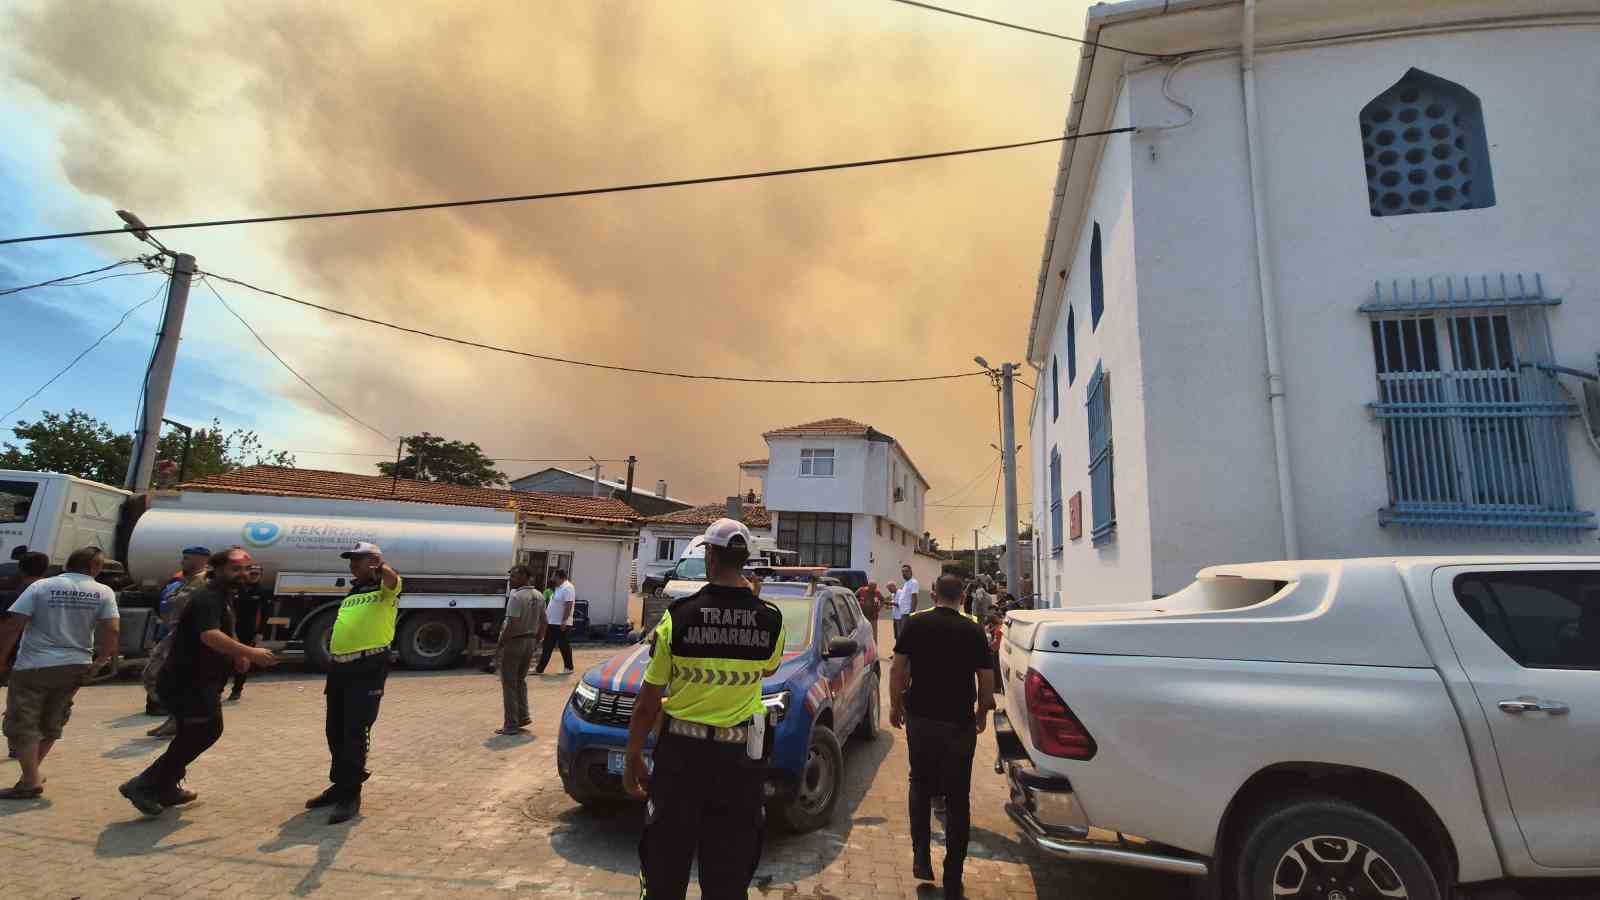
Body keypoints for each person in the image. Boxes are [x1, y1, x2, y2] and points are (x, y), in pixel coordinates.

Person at [623, 518, 785, 900]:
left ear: (710, 556)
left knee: (664, 871)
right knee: (727, 877)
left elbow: (648, 702)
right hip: (739, 766)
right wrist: (751, 603)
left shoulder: (678, 616)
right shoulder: (771, 619)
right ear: (744, 560)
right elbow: (769, 668)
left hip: (681, 761)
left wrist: (633, 755)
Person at [119, 548, 274, 814]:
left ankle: (166, 787)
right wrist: (250, 652)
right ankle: (144, 784)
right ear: (217, 569)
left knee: (190, 735)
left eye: (245, 569)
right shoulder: (208, 596)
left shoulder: (223, 595)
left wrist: (237, 655)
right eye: (235, 569)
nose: (242, 574)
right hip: (188, 682)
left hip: (200, 680)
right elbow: (209, 635)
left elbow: (224, 630)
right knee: (205, 731)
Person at [891, 573, 996, 899]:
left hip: (921, 720)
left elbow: (897, 669)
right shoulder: (974, 629)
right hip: (959, 724)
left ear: (933, 595)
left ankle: (921, 857)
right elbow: (986, 678)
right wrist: (981, 713)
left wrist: (894, 705)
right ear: (963, 597)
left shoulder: (915, 624)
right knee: (958, 797)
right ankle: (953, 873)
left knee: (920, 785)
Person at [0, 547, 119, 799]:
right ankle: (31, 774)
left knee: (23, 722)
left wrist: (1, 660)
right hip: (76, 665)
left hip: (34, 665)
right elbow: (112, 630)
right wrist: (99, 663)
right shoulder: (104, 591)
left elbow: (14, 625)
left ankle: (30, 781)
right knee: (52, 720)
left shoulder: (40, 587)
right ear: (96, 568)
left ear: (67, 564)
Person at [303, 542, 401, 825]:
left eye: (359, 560)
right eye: (351, 560)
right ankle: (339, 785)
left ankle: (351, 794)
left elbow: (393, 580)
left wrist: (381, 567)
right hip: (340, 668)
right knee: (334, 729)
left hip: (368, 667)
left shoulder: (386, 589)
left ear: (374, 562)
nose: (352, 565)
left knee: (355, 731)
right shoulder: (355, 590)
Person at [143, 546, 210, 723]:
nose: (182, 562)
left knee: (165, 676)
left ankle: (179, 717)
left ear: (202, 560)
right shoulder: (186, 581)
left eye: (187, 558)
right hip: (176, 634)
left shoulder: (203, 581)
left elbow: (177, 604)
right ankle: (173, 717)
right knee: (156, 674)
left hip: (189, 637)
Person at [495, 564, 546, 735]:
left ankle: (511, 725)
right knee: (520, 681)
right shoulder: (539, 595)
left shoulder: (516, 597)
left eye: (514, 577)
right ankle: (523, 717)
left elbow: (511, 625)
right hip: (530, 642)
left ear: (525, 577)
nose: (511, 580)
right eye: (511, 577)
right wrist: (537, 641)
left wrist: (500, 645)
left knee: (509, 683)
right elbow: (544, 622)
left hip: (515, 642)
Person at [228, 563, 270, 702]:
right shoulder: (235, 588)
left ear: (260, 575)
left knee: (243, 660)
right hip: (231, 628)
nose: (253, 576)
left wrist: (260, 632)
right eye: (251, 573)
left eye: (256, 574)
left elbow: (265, 614)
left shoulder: (262, 591)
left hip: (249, 631)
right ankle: (218, 688)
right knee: (225, 659)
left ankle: (237, 690)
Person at [535, 569, 575, 675]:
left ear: (558, 576)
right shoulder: (558, 588)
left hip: (561, 623)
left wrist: (564, 621)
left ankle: (569, 667)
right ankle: (539, 669)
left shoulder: (568, 587)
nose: (552, 578)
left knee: (564, 646)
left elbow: (569, 605)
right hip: (552, 622)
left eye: (553, 576)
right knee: (547, 646)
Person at [892, 565, 920, 642]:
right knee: (903, 634)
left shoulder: (913, 582)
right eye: (903, 572)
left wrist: (912, 613)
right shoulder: (906, 583)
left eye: (906, 571)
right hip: (903, 613)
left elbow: (914, 598)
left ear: (911, 572)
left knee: (905, 635)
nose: (904, 573)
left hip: (907, 613)